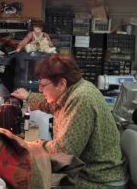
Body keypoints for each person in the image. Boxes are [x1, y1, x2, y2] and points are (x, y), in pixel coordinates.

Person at [11, 54, 127, 188]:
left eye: (43, 85)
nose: (40, 89)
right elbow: (51, 104)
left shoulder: (81, 99)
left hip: (101, 180)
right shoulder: (74, 90)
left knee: (31, 181)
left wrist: (30, 145)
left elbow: (64, 151)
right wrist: (29, 97)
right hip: (88, 173)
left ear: (61, 83)